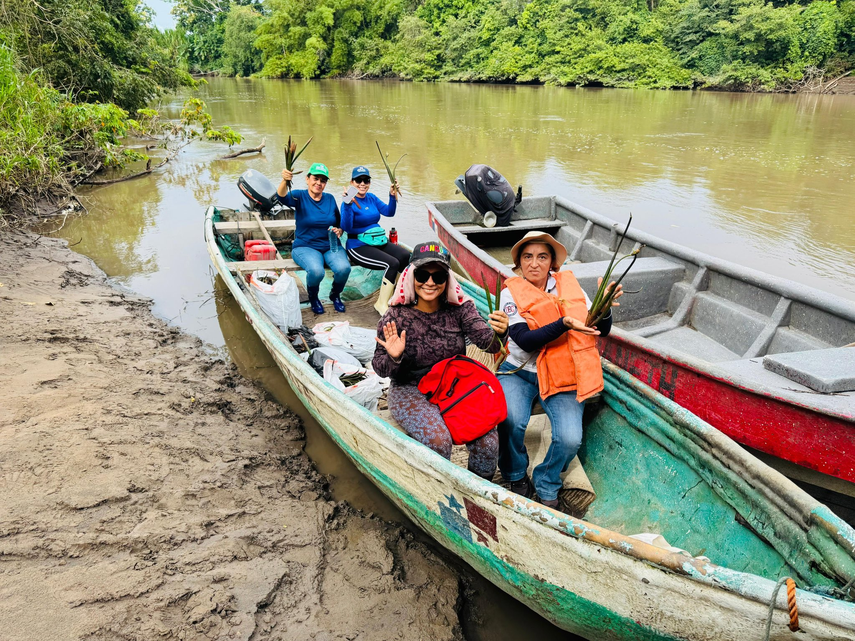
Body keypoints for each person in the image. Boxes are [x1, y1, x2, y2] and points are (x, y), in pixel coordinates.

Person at [497, 231, 623, 510]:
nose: (534, 263)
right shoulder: (510, 292)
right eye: (527, 257)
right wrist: (564, 323)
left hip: (563, 372)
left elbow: (601, 329)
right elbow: (524, 339)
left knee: (569, 438)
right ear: (519, 262)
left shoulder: (570, 286)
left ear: (552, 262)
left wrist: (606, 308)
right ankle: (515, 473)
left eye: (542, 256)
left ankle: (547, 480)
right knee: (509, 421)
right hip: (519, 370)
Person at [372, 243, 509, 479]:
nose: (430, 282)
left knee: (488, 443)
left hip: (453, 386)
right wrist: (395, 357)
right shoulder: (395, 315)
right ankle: (438, 490)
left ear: (447, 280)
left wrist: (501, 331)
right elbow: (380, 367)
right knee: (438, 441)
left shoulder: (460, 310)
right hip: (410, 388)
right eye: (423, 275)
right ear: (411, 277)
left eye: (439, 276)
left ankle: (476, 494)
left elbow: (489, 344)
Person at [277, 163, 351, 314]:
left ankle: (335, 295)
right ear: (307, 179)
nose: (318, 183)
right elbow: (281, 197)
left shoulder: (329, 199)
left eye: (323, 180)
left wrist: (340, 230)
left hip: (330, 244)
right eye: (315, 178)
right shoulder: (299, 196)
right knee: (317, 271)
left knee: (344, 269)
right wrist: (285, 180)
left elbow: (339, 222)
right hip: (305, 246)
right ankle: (314, 298)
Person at [340, 165, 410, 315]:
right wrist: (347, 205)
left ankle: (394, 296)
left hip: (377, 241)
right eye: (358, 180)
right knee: (392, 263)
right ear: (352, 182)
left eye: (366, 180)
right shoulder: (348, 199)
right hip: (357, 245)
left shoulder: (371, 198)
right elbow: (346, 227)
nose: (362, 183)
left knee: (405, 257)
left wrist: (392, 195)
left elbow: (389, 212)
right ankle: (381, 304)